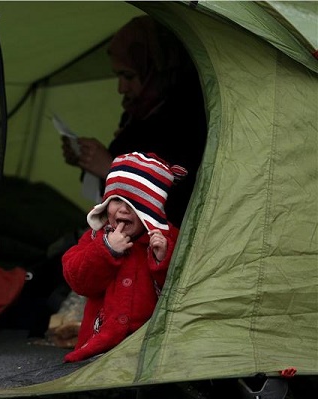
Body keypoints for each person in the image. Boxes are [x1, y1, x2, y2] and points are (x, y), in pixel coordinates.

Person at [62, 15, 206, 227]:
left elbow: (178, 203)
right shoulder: (137, 113)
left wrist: (112, 170)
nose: (121, 88)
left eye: (128, 76)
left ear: (155, 70)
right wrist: (87, 161)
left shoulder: (187, 124)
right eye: (118, 76)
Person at [62, 152, 185, 363]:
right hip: (98, 349)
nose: (124, 209)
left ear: (151, 210)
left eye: (135, 203)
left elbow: (183, 290)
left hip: (149, 350)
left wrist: (162, 260)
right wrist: (106, 250)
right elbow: (78, 281)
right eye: (117, 199)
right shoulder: (96, 237)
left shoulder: (168, 239)